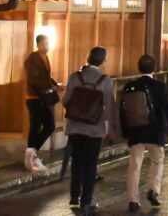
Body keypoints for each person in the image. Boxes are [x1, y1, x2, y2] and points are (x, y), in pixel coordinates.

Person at [62, 46, 118, 215]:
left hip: (75, 127)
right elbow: (110, 107)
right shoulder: (105, 80)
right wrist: (112, 129)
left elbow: (66, 102)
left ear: (88, 58)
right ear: (103, 61)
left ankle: (74, 196)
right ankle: (86, 201)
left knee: (77, 160)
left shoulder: (74, 77)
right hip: (95, 128)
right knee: (90, 164)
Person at [123, 54, 168, 213]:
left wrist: (125, 131)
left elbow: (123, 111)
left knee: (134, 166)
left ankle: (133, 200)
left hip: (135, 133)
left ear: (138, 68)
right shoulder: (160, 87)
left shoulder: (129, 87)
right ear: (154, 68)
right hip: (155, 132)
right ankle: (153, 190)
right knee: (157, 161)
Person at [23, 33, 61, 172]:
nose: (46, 46)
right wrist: (50, 87)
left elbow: (46, 77)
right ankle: (31, 155)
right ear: (37, 44)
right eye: (43, 44)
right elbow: (35, 79)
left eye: (47, 43)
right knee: (43, 126)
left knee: (42, 126)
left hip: (42, 97)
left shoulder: (44, 57)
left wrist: (55, 84)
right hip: (35, 98)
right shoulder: (33, 59)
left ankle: (32, 155)